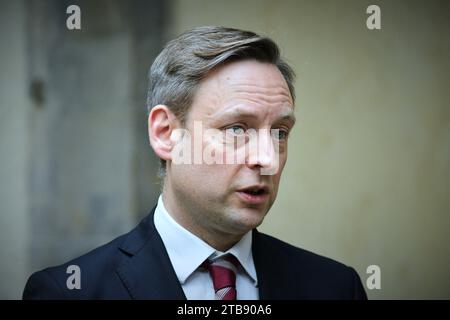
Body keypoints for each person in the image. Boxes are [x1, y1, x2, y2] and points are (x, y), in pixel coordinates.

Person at [23, 26, 367, 300]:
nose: (267, 159)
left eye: (279, 132)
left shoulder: (336, 288)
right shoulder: (70, 292)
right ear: (166, 133)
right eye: (236, 129)